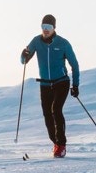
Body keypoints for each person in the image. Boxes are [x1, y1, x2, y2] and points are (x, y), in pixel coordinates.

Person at [20, 14, 80, 158]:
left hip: (61, 82)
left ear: (54, 28)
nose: (46, 30)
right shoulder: (36, 41)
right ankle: (55, 142)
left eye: (49, 27)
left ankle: (61, 145)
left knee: (56, 110)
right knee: (47, 115)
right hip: (45, 84)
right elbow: (24, 61)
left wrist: (75, 85)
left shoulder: (63, 43)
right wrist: (23, 55)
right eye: (43, 27)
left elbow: (75, 65)